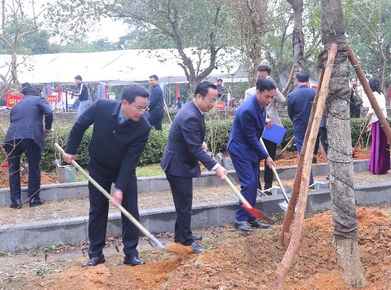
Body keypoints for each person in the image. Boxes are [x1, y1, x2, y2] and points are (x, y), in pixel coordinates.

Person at [62, 85, 152, 267]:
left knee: (130, 211)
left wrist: (119, 188)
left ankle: (131, 254)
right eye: (139, 107)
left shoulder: (143, 127)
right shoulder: (102, 106)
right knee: (97, 210)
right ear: (125, 103)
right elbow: (80, 124)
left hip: (123, 171)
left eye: (145, 108)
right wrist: (70, 150)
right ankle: (96, 254)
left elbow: (130, 160)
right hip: (98, 167)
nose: (142, 112)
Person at [161, 81, 227, 252]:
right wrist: (215, 167)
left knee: (183, 204)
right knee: (184, 205)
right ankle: (186, 241)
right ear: (199, 96)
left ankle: (181, 234)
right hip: (177, 166)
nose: (212, 104)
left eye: (214, 100)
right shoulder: (190, 115)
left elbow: (192, 139)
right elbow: (194, 148)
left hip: (179, 163)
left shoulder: (193, 109)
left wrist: (200, 141)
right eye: (210, 100)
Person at [228, 78, 277, 232]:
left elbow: (257, 133)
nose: (269, 100)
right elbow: (250, 138)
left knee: (254, 184)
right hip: (240, 149)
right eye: (266, 97)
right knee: (248, 183)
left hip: (250, 149)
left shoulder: (261, 106)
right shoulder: (248, 110)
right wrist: (266, 156)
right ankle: (240, 219)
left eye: (271, 97)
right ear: (258, 93)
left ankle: (251, 217)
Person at [3, 85, 53, 209]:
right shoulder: (38, 99)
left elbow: (13, 121)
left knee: (13, 170)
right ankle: (34, 199)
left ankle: (16, 201)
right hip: (30, 136)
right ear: (35, 93)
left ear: (23, 95)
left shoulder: (15, 105)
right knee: (34, 168)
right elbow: (49, 112)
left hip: (11, 138)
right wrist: (47, 129)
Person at [244, 64, 286, 193]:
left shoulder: (273, 91)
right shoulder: (250, 91)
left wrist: (273, 84)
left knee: (270, 157)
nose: (260, 79)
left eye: (264, 76)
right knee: (255, 158)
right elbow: (245, 109)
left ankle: (268, 185)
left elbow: (283, 101)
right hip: (258, 128)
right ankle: (257, 186)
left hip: (273, 127)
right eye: (259, 76)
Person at [287, 71, 317, 184]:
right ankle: (307, 179)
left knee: (303, 153)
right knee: (309, 152)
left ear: (297, 81)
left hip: (299, 127)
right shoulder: (314, 93)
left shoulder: (292, 95)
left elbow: (291, 113)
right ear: (308, 80)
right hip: (312, 126)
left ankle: (308, 180)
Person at [367, 78, 390, 175]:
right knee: (382, 144)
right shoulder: (381, 95)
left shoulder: (376, 95)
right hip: (379, 120)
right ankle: (380, 166)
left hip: (378, 121)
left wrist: (370, 112)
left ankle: (378, 167)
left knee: (378, 144)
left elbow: (379, 106)